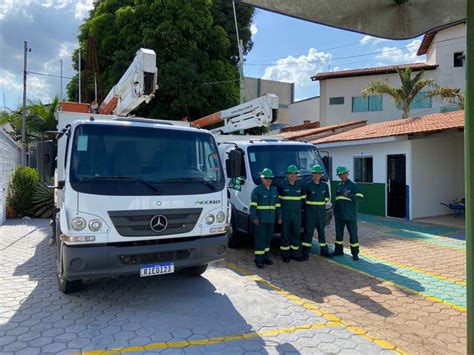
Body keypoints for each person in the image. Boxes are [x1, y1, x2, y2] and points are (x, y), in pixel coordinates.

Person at [249, 168, 282, 269]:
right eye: (266, 178)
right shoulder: (257, 190)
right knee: (260, 240)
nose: (269, 180)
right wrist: (254, 218)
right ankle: (258, 259)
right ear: (262, 179)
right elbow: (253, 207)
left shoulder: (274, 191)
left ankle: (265, 257)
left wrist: (279, 217)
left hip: (271, 220)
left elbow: (278, 206)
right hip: (261, 221)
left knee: (268, 239)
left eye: (270, 178)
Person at [332, 166, 364, 260]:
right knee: (338, 234)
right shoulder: (338, 186)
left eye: (344, 173)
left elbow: (360, 198)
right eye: (340, 174)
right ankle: (338, 251)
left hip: (350, 215)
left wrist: (349, 195)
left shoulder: (354, 185)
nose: (342, 175)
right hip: (339, 215)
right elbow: (337, 200)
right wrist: (335, 211)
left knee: (353, 234)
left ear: (347, 174)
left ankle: (355, 254)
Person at [278, 164, 306, 263]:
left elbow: (303, 201)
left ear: (297, 175)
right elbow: (279, 203)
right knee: (285, 235)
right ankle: (285, 255)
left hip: (296, 216)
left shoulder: (301, 186)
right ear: (287, 175)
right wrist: (280, 216)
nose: (292, 175)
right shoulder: (282, 186)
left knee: (296, 235)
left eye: (294, 174)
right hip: (285, 216)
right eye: (290, 174)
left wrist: (298, 208)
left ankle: (296, 254)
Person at [303, 164, 332, 260]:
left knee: (321, 232)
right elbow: (303, 199)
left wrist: (322, 203)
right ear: (312, 174)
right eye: (315, 173)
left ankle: (324, 251)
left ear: (321, 174)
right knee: (308, 233)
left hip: (321, 213)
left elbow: (327, 197)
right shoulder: (307, 186)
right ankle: (305, 252)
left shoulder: (324, 186)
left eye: (319, 173)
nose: (317, 175)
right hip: (310, 214)